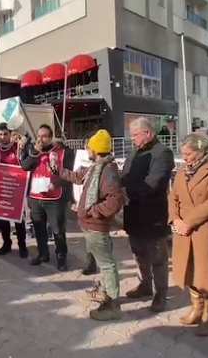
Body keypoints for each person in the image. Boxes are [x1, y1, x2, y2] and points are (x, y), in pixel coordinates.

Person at [58, 129, 124, 321]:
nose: (86, 149)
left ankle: (113, 305)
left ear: (95, 149)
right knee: (104, 263)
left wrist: (90, 211)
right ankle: (105, 292)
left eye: (89, 146)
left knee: (107, 265)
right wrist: (59, 171)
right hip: (91, 224)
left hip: (96, 225)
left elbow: (114, 202)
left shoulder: (107, 170)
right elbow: (79, 178)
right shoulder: (98, 166)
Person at [168, 133, 208, 336]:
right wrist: (175, 220)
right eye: (183, 153)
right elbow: (173, 197)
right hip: (182, 229)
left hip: (205, 227)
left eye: (188, 153)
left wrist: (188, 221)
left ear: (200, 150)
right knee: (190, 270)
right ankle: (196, 308)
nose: (184, 157)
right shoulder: (181, 171)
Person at [120, 117, 175, 312]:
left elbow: (154, 182)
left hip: (153, 215)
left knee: (158, 257)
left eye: (135, 135)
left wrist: (128, 192)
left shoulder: (163, 153)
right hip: (133, 212)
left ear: (147, 133)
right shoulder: (135, 153)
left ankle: (161, 293)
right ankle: (145, 284)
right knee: (138, 253)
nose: (132, 139)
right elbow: (124, 175)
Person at [20, 124, 74, 271]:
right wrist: (34, 153)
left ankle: (61, 257)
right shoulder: (32, 151)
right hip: (35, 197)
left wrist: (56, 183)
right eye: (38, 136)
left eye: (44, 136)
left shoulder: (62, 153)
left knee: (57, 230)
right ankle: (43, 254)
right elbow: (24, 167)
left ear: (50, 138)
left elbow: (69, 174)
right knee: (39, 228)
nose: (40, 139)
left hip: (54, 198)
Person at [0, 122, 28, 258]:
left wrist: (26, 139)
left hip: (16, 190)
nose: (3, 136)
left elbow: (25, 165)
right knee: (3, 220)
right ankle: (6, 244)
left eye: (5, 134)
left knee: (19, 220)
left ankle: (22, 245)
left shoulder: (18, 148)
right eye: (0, 134)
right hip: (1, 190)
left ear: (10, 134)